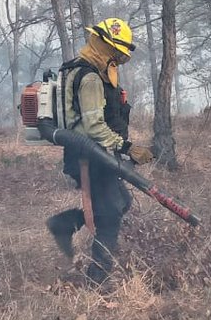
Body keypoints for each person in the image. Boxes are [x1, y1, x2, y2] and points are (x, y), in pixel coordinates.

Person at [46, 18, 152, 283]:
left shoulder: (80, 69)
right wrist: (127, 147)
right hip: (91, 157)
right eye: (116, 52)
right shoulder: (91, 78)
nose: (118, 59)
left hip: (91, 155)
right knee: (110, 216)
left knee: (122, 201)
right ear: (105, 46)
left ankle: (64, 224)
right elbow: (94, 126)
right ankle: (98, 279)